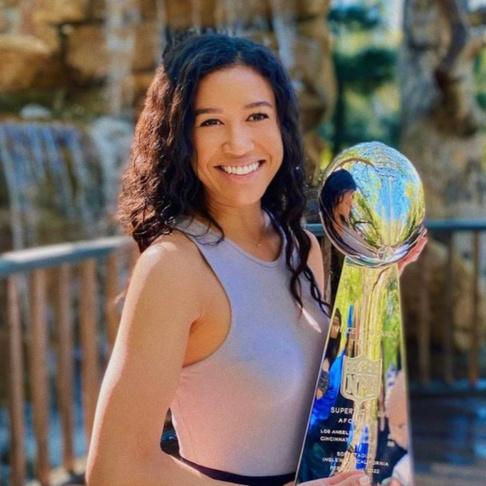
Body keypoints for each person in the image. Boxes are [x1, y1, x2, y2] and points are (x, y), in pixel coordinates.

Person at [85, 33, 425, 486]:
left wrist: (372, 288)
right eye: (211, 122)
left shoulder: (299, 247)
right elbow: (114, 469)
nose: (239, 143)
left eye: (256, 116)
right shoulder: (174, 266)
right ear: (180, 139)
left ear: (281, 125)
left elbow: (327, 408)